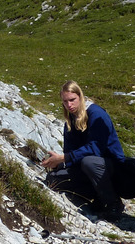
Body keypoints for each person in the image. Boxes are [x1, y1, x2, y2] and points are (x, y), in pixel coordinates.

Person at [41, 80, 127, 221]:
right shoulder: (70, 121)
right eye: (65, 101)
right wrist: (57, 163)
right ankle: (97, 198)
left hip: (112, 167)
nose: (69, 105)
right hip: (88, 167)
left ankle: (113, 203)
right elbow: (71, 154)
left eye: (72, 100)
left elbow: (96, 149)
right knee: (53, 179)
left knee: (89, 162)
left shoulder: (96, 114)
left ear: (80, 97)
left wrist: (63, 158)